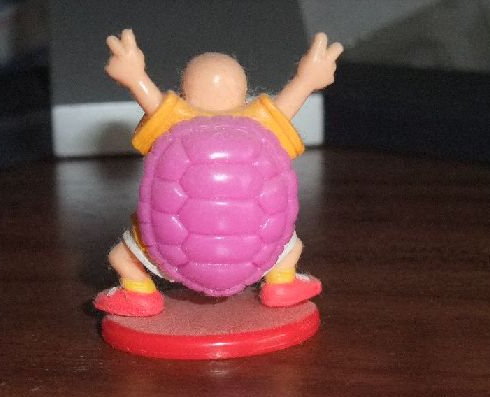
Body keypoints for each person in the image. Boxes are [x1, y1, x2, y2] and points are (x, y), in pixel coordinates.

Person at [95, 29, 343, 316]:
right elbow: (288, 104)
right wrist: (307, 80)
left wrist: (135, 77)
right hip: (254, 249)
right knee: (290, 248)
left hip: (172, 250)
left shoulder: (172, 121)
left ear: (186, 90)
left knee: (123, 258)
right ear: (242, 88)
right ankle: (282, 283)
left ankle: (139, 294)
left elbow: (150, 101)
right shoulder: (262, 123)